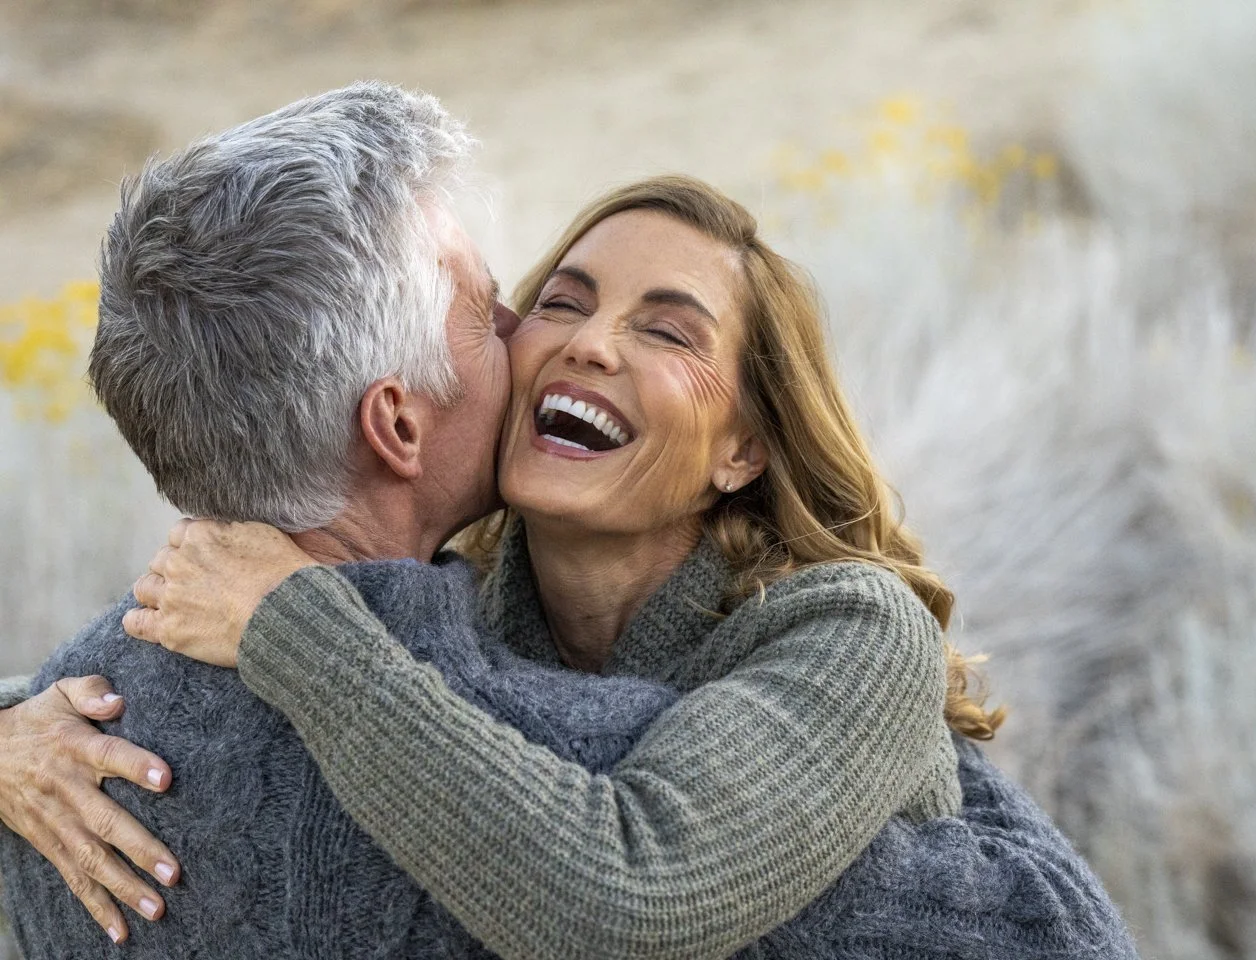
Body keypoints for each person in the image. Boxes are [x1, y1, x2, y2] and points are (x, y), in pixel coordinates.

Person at [0, 84, 1137, 959]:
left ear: (746, 444)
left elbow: (636, 888)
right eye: (559, 302)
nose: (585, 342)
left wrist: (296, 627)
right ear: (404, 420)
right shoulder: (464, 609)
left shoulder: (848, 631)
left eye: (672, 332)